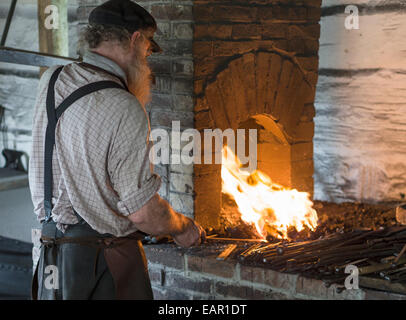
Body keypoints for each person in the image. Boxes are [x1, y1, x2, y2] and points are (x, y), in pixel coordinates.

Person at [28, 0, 206, 300]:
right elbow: (143, 213)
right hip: (100, 264)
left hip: (48, 255)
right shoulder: (124, 105)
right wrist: (182, 227)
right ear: (135, 40)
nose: (147, 61)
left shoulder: (52, 78)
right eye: (148, 49)